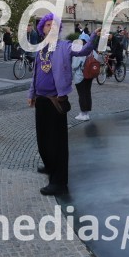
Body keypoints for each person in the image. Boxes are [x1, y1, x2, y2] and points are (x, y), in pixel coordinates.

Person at [28, 13, 98, 196]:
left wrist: (94, 37)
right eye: (47, 24)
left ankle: (59, 182)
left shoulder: (65, 46)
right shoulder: (41, 48)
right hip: (41, 100)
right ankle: (50, 166)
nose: (50, 27)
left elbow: (83, 50)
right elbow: (35, 74)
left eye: (54, 25)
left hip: (56, 101)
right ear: (42, 29)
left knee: (57, 143)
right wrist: (31, 94)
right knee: (42, 139)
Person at [72, 27, 96, 121]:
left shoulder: (80, 50)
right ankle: (87, 113)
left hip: (80, 76)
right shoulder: (91, 50)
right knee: (87, 93)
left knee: (81, 94)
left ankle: (83, 113)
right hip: (90, 75)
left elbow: (74, 65)